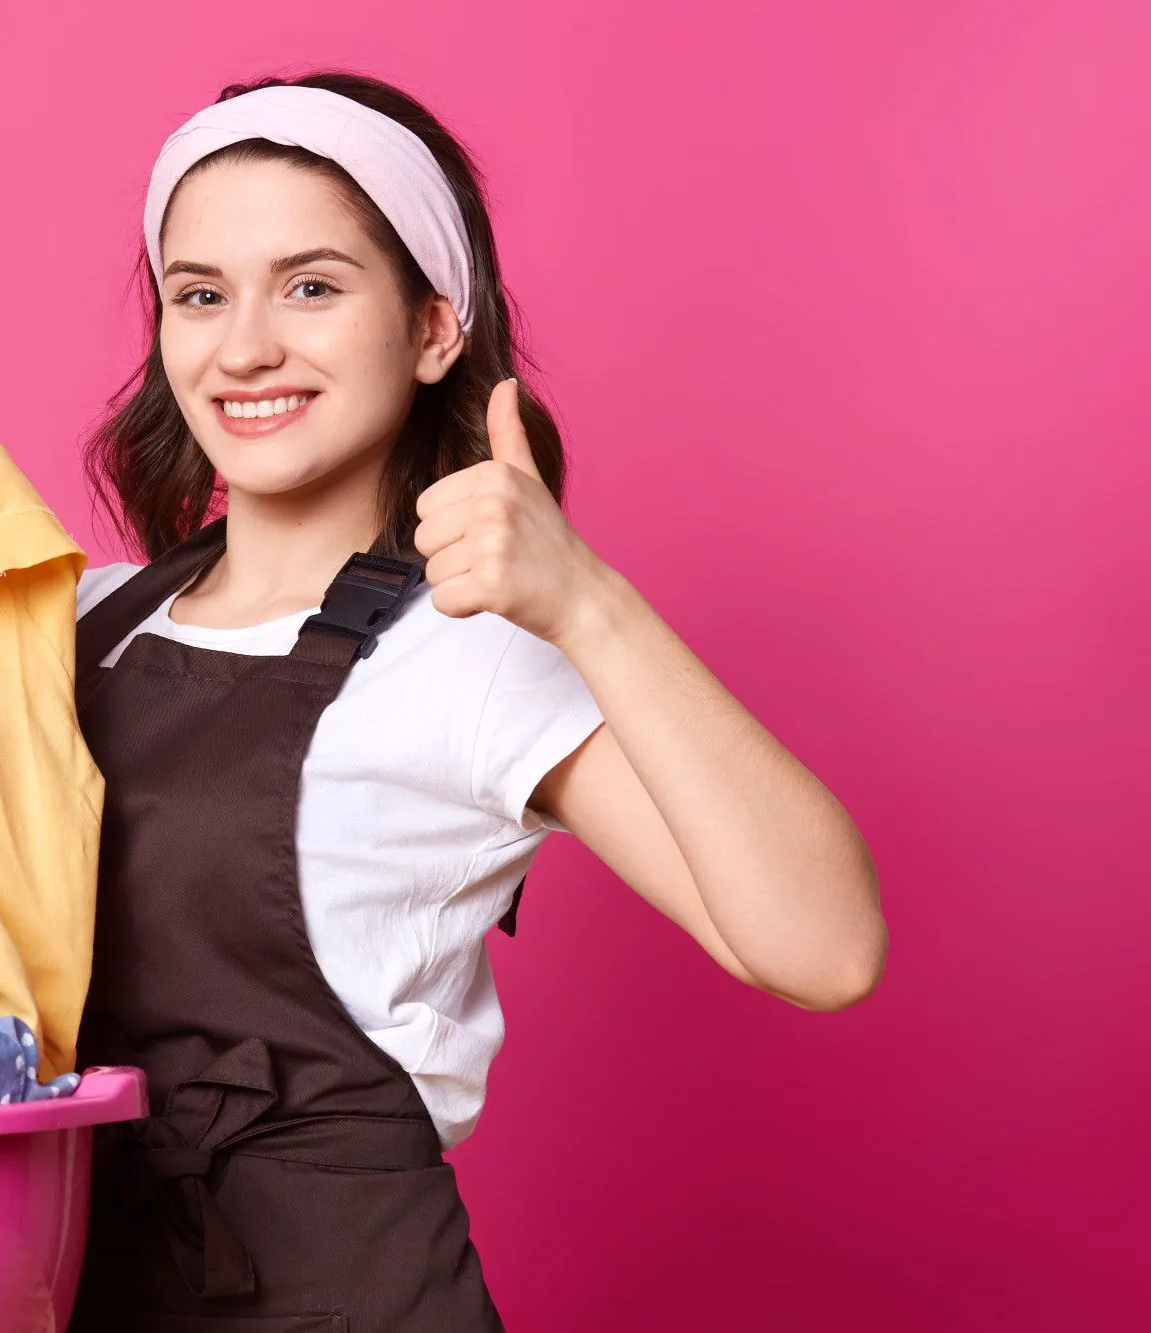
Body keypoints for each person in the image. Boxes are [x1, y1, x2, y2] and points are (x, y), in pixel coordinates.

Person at [65, 71, 888, 1330]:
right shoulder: (83, 623)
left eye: (312, 286)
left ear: (434, 329)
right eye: (199, 294)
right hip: (66, 1285)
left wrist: (586, 604)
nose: (243, 348)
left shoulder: (467, 655)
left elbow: (821, 950)